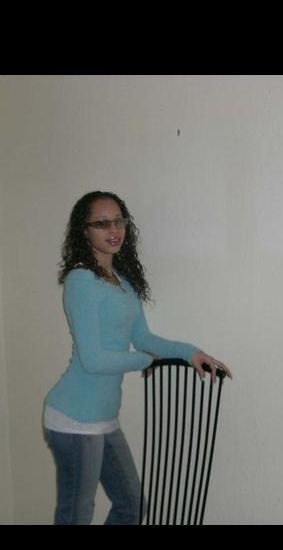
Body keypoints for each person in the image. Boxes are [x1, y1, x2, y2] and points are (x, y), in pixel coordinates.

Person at [43, 191, 233, 525]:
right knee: (76, 516)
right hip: (74, 419)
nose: (113, 229)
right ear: (84, 231)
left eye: (119, 221)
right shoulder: (81, 280)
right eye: (102, 223)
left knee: (131, 506)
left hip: (104, 417)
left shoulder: (123, 282)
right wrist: (146, 361)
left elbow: (143, 338)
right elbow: (94, 360)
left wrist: (191, 353)